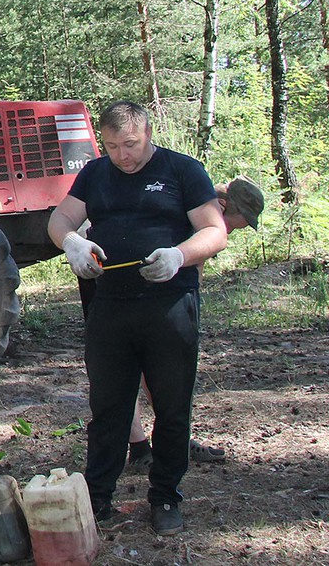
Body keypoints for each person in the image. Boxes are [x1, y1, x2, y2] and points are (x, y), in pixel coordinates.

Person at [48, 101, 227, 537]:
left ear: (147, 133)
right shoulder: (95, 173)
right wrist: (70, 241)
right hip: (111, 305)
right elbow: (61, 217)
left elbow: (215, 230)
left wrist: (179, 255)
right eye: (112, 146)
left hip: (169, 304)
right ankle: (98, 497)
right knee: (108, 406)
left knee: (171, 404)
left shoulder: (183, 170)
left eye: (130, 144)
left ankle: (165, 495)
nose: (122, 155)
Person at [79, 176, 266, 469]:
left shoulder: (203, 218)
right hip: (107, 272)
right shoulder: (190, 208)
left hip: (150, 286)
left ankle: (173, 437)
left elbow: (192, 276)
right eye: (232, 224)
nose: (226, 233)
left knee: (162, 363)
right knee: (123, 365)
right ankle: (139, 448)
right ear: (222, 205)